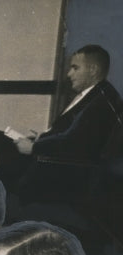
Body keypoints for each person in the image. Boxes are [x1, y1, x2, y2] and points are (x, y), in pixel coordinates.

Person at [14, 45, 123, 206]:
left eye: (75, 68)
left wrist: (34, 148)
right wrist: (41, 138)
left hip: (65, 171)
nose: (69, 74)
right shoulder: (93, 94)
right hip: (57, 159)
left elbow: (74, 141)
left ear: (93, 69)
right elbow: (70, 132)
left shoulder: (101, 102)